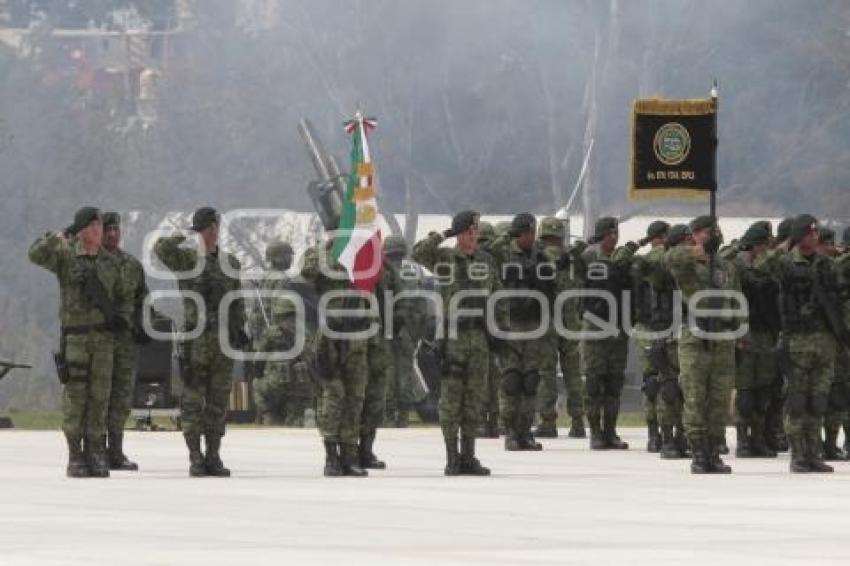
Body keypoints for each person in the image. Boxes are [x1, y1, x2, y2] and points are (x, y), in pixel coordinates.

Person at [29, 207, 131, 478]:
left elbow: (124, 297)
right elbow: (35, 253)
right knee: (76, 398)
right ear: (82, 230)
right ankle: (75, 455)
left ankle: (96, 452)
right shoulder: (65, 257)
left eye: (100, 225)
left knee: (100, 397)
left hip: (104, 341)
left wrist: (120, 320)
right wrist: (62, 234)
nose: (99, 230)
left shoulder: (110, 263)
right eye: (93, 226)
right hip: (75, 338)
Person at [154, 207, 247, 477]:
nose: (211, 232)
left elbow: (237, 298)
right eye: (206, 227)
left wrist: (240, 328)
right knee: (193, 400)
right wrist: (187, 232)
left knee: (218, 401)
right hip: (196, 341)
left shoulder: (230, 262)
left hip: (222, 343)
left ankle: (214, 455)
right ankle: (195, 456)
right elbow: (161, 249)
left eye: (213, 226)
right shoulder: (186, 260)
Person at [413, 211, 504, 475]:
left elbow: (498, 296)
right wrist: (444, 234)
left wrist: (501, 332)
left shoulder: (486, 261)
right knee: (452, 401)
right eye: (470, 230)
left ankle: (469, 457)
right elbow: (418, 252)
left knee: (475, 400)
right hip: (453, 339)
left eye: (476, 230)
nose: (475, 235)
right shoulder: (444, 259)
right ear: (461, 232)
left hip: (480, 338)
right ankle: (452, 457)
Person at [666, 215, 740, 474]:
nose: (714, 235)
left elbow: (737, 299)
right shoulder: (687, 263)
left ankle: (713, 451)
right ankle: (698, 452)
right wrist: (695, 252)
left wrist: (739, 331)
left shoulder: (726, 267)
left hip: (722, 338)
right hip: (696, 336)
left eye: (716, 231)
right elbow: (671, 257)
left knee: (718, 399)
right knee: (695, 396)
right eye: (708, 232)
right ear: (694, 235)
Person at [483, 213, 557, 451]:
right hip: (511, 324)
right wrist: (509, 235)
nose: (531, 237)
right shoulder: (504, 253)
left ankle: (526, 431)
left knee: (530, 380)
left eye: (532, 232)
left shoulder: (540, 256)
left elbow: (550, 288)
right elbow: (488, 252)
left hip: (534, 324)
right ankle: (511, 432)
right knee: (511, 380)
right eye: (527, 233)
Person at [579, 217, 640, 450]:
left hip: (618, 327)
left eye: (616, 233)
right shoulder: (589, 257)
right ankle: (595, 432)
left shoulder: (625, 260)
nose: (614, 238)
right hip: (595, 326)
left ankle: (610, 431)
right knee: (594, 382)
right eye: (609, 234)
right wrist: (588, 242)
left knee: (614, 381)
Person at [101, 212, 149, 471]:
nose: (112, 234)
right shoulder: (92, 262)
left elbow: (143, 299)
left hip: (125, 342)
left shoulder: (132, 265)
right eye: (107, 229)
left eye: (115, 229)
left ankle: (116, 452)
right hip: (99, 341)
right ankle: (95, 450)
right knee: (98, 397)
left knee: (120, 397)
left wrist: (144, 325)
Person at [251, 241, 317, 426]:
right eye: (289, 255)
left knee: (266, 382)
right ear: (279, 257)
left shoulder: (263, 280)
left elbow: (255, 315)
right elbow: (283, 312)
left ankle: (267, 415)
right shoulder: (283, 281)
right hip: (282, 339)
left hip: (265, 341)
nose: (291, 259)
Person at [533, 217, 586, 439]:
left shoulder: (538, 258)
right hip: (571, 322)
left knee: (546, 372)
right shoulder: (574, 259)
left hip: (547, 322)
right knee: (573, 372)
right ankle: (578, 421)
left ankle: (548, 420)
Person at [732, 222, 780, 458]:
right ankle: (742, 440)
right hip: (746, 331)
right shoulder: (737, 267)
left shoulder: (768, 267)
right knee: (746, 389)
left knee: (764, 388)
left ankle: (758, 438)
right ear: (757, 245)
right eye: (764, 245)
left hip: (765, 332)